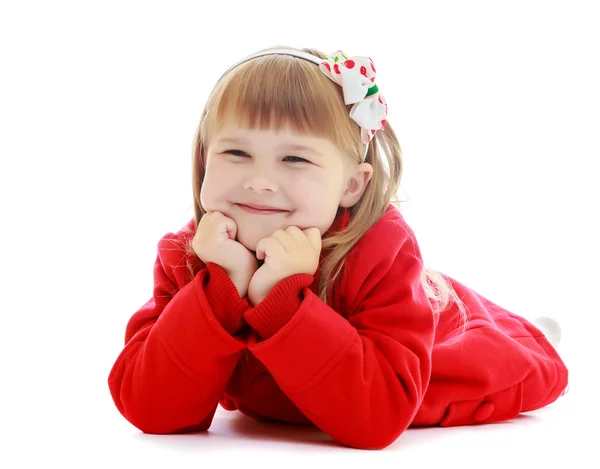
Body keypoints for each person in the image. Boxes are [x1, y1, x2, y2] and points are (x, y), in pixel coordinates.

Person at [107, 46, 569, 450]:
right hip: (290, 389)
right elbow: (149, 410)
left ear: (351, 184)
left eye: (295, 159)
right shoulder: (188, 254)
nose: (260, 182)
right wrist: (220, 287)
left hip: (403, 356)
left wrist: (279, 303)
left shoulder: (381, 251)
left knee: (484, 368)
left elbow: (378, 419)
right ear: (204, 160)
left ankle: (534, 338)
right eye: (236, 153)